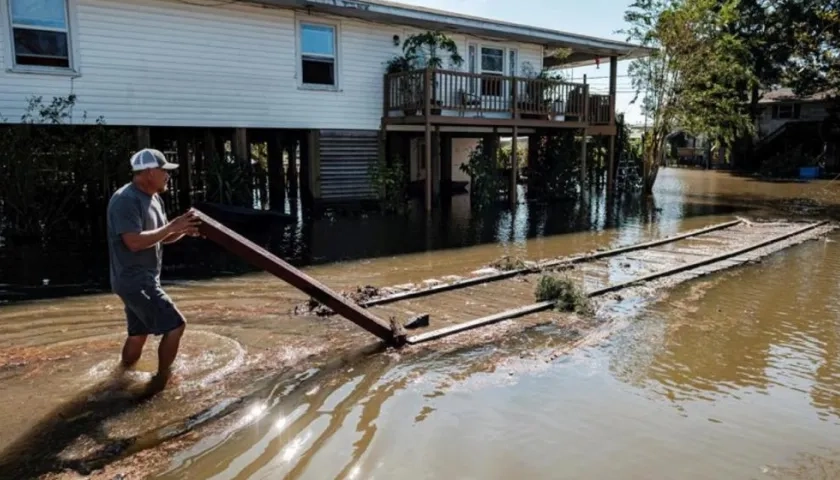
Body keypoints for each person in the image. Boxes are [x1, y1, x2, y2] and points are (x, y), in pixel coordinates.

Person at [106, 148, 201, 390]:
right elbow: (134, 242)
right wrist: (172, 226)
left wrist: (182, 230)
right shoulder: (125, 200)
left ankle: (119, 377)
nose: (168, 176)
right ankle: (162, 380)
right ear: (149, 172)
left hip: (143, 279)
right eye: (164, 171)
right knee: (176, 325)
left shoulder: (154, 198)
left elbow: (161, 236)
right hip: (134, 280)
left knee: (139, 334)